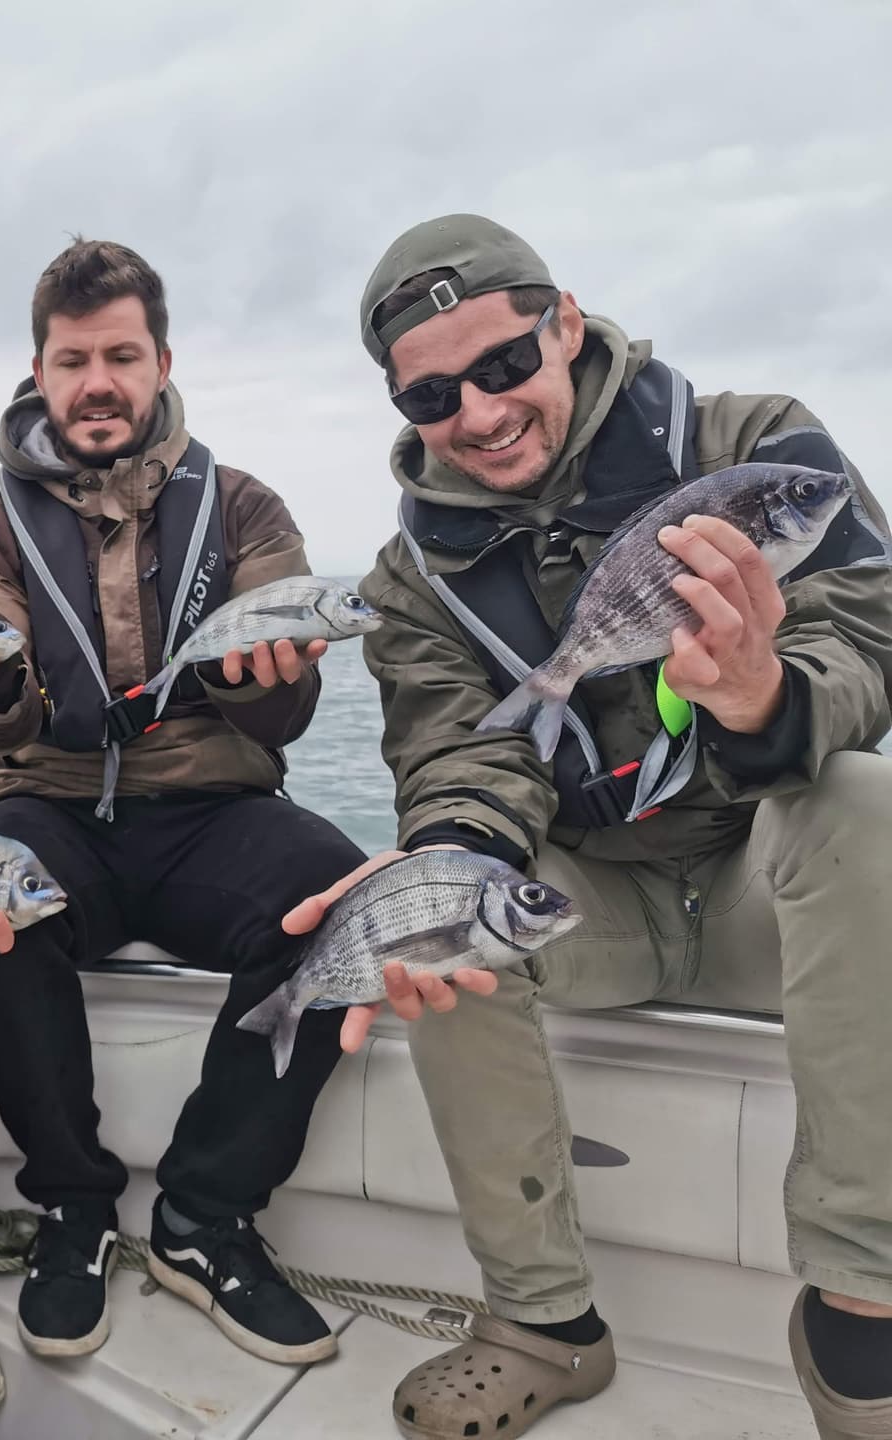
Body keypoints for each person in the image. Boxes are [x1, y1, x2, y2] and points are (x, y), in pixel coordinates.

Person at [292, 212, 892, 1440]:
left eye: (506, 364)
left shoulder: (755, 446)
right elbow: (461, 752)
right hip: (592, 909)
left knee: (861, 800)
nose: (481, 410)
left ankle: (863, 1302)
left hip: (755, 890)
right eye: (434, 394)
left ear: (563, 323)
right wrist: (450, 854)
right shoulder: (412, 582)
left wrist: (767, 695)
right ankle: (543, 1320)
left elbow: (873, 630)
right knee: (443, 907)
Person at [0, 238, 365, 1365]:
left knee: (340, 904)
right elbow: (1, 714)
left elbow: (286, 698)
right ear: (39, 371)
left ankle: (202, 1216)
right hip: (57, 807)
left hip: (206, 811)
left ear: (161, 359)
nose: (97, 382)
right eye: (73, 359)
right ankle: (72, 1205)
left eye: (119, 355)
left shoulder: (244, 506)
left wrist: (263, 670)